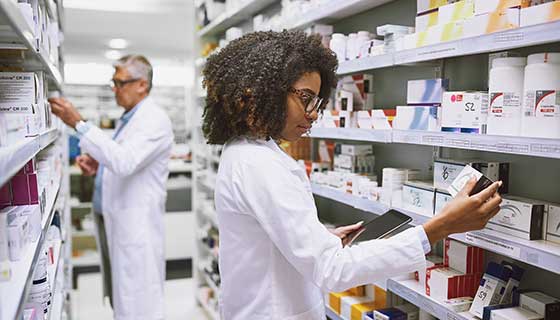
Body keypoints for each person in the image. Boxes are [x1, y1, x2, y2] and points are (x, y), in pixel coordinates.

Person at [202, 31, 503, 320]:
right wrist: (439, 228)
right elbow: (332, 270)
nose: (313, 113)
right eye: (305, 98)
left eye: (317, 102)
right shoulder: (259, 164)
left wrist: (320, 239)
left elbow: (268, 240)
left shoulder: (247, 151)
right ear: (264, 90)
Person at [49, 54, 173, 320]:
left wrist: (79, 124)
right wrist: (99, 165)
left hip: (135, 225)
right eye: (113, 83)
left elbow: (125, 161)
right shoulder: (129, 117)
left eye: (120, 83)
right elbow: (123, 158)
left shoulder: (155, 119)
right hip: (113, 219)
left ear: (142, 84)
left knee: (138, 302)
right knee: (123, 297)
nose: (115, 89)